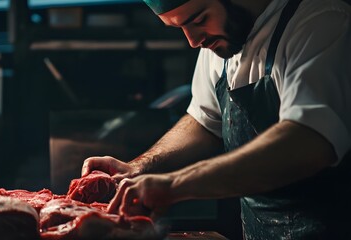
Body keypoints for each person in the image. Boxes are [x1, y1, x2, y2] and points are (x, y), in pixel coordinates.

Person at [80, 0, 351, 238]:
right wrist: (138, 167)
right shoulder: (220, 41)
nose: (193, 40)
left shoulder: (321, 21)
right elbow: (205, 122)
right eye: (180, 28)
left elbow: (309, 140)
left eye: (198, 19)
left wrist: (175, 185)